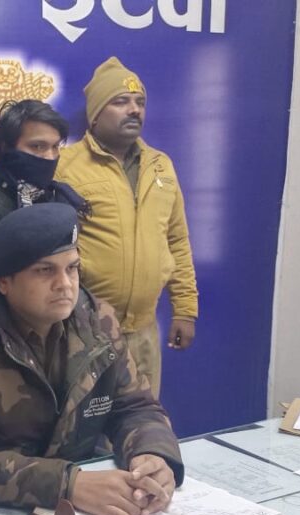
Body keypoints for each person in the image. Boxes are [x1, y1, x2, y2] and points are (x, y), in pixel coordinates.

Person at [0, 203, 183, 515]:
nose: (65, 284)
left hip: (86, 511)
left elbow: (136, 408)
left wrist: (152, 455)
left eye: (72, 268)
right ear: (4, 282)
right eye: (45, 271)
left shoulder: (98, 321)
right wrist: (67, 485)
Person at [55, 57, 199, 398]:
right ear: (95, 114)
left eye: (140, 102)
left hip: (144, 332)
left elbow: (176, 240)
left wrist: (185, 309)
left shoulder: (161, 166)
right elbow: (49, 251)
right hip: (83, 331)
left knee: (144, 419)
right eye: (120, 101)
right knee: (85, 425)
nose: (134, 109)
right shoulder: (66, 167)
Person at [0, 99, 89, 248]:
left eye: (55, 146)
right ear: (5, 148)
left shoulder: (56, 199)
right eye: (37, 146)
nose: (50, 157)